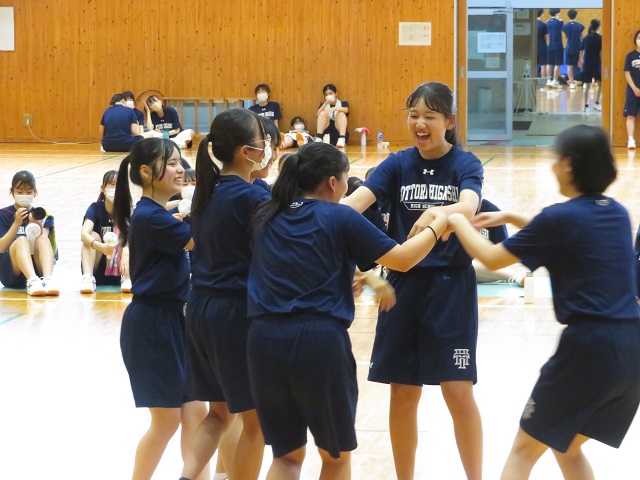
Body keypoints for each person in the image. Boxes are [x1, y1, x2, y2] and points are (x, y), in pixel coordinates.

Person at [448, 124, 640, 480]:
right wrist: (508, 217)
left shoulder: (559, 218)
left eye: (556, 159)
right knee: (566, 446)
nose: (552, 166)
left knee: (523, 451)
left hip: (588, 349)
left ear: (568, 165)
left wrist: (457, 219)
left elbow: (491, 257)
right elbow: (563, 232)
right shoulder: (615, 212)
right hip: (631, 352)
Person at [246, 142, 447, 479]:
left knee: (287, 457)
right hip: (317, 342)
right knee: (335, 457)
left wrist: (350, 277)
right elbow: (402, 259)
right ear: (332, 182)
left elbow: (298, 260)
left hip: (262, 341)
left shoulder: (267, 214)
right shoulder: (340, 215)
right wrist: (437, 224)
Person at [343, 81, 484, 480]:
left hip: (451, 289)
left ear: (449, 121)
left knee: (458, 391)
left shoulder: (465, 164)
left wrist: (439, 213)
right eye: (414, 115)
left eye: (429, 117)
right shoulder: (397, 164)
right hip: (402, 288)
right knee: (403, 392)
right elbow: (354, 205)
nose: (420, 124)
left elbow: (470, 206)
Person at [179, 109, 271, 480]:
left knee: (219, 415)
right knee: (256, 423)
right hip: (234, 315)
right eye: (262, 142)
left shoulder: (206, 193)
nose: (267, 147)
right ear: (247, 152)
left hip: (199, 310)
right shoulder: (251, 198)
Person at [112, 138, 208, 480]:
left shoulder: (159, 214)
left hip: (175, 321)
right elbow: (199, 240)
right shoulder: (151, 217)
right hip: (150, 326)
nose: (180, 169)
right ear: (145, 171)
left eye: (181, 162)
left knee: (196, 411)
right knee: (166, 419)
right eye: (171, 163)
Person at [0, 170, 59, 296]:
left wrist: (37, 225)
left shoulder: (42, 215)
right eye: (20, 191)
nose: (24, 195)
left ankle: (47, 280)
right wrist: (16, 223)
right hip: (11, 273)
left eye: (28, 192)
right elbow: (1, 247)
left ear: (35, 192)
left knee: (42, 239)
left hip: (38, 269)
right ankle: (32, 280)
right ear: (12, 192)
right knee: (21, 240)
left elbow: (44, 245)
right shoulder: (3, 215)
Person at [80, 170, 132, 293]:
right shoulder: (95, 208)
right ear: (103, 188)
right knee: (91, 236)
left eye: (119, 186)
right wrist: (100, 246)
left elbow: (135, 236)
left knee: (128, 239)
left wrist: (126, 250)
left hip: (123, 265)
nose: (116, 189)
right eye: (112, 184)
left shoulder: (129, 209)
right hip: (99, 266)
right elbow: (84, 234)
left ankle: (127, 278)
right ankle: (87, 278)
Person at [472, 199, 526, 287]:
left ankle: (516, 276)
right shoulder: (455, 214)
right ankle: (515, 276)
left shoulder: (492, 211)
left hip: (488, 266)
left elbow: (503, 253)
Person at [579, 19, 603, 113]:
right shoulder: (600, 38)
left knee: (587, 85)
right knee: (600, 84)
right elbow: (601, 53)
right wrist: (603, 63)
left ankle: (585, 105)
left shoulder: (586, 38)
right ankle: (597, 103)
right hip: (597, 65)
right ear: (598, 27)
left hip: (587, 64)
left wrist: (580, 60)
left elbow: (581, 51)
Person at [315, 84, 349, 148]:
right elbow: (318, 114)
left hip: (338, 131)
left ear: (336, 94)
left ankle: (342, 138)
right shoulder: (323, 105)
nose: (328, 96)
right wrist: (326, 103)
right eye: (326, 94)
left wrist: (334, 108)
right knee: (322, 113)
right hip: (326, 133)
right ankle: (319, 137)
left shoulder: (343, 103)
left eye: (330, 93)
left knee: (341, 113)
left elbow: (346, 110)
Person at [623, 29, 640, 149]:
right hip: (632, 91)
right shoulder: (630, 56)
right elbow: (627, 73)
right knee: (630, 115)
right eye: (639, 38)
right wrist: (634, 88)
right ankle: (631, 139)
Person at [562, 9, 584, 89]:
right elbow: (582, 37)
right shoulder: (580, 26)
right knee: (581, 65)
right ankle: (585, 82)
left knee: (569, 67)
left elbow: (567, 37)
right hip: (577, 49)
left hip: (568, 49)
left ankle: (571, 83)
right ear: (576, 15)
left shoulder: (565, 26)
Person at [546, 9, 564, 88]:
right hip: (558, 45)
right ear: (557, 13)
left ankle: (548, 80)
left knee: (549, 64)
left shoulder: (547, 22)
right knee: (557, 64)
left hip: (550, 46)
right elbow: (561, 25)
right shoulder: (560, 22)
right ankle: (554, 81)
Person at [536, 9, 548, 79]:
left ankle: (533, 79)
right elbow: (546, 37)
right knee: (543, 65)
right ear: (541, 14)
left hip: (533, 47)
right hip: (542, 46)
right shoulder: (543, 25)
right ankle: (543, 80)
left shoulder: (532, 24)